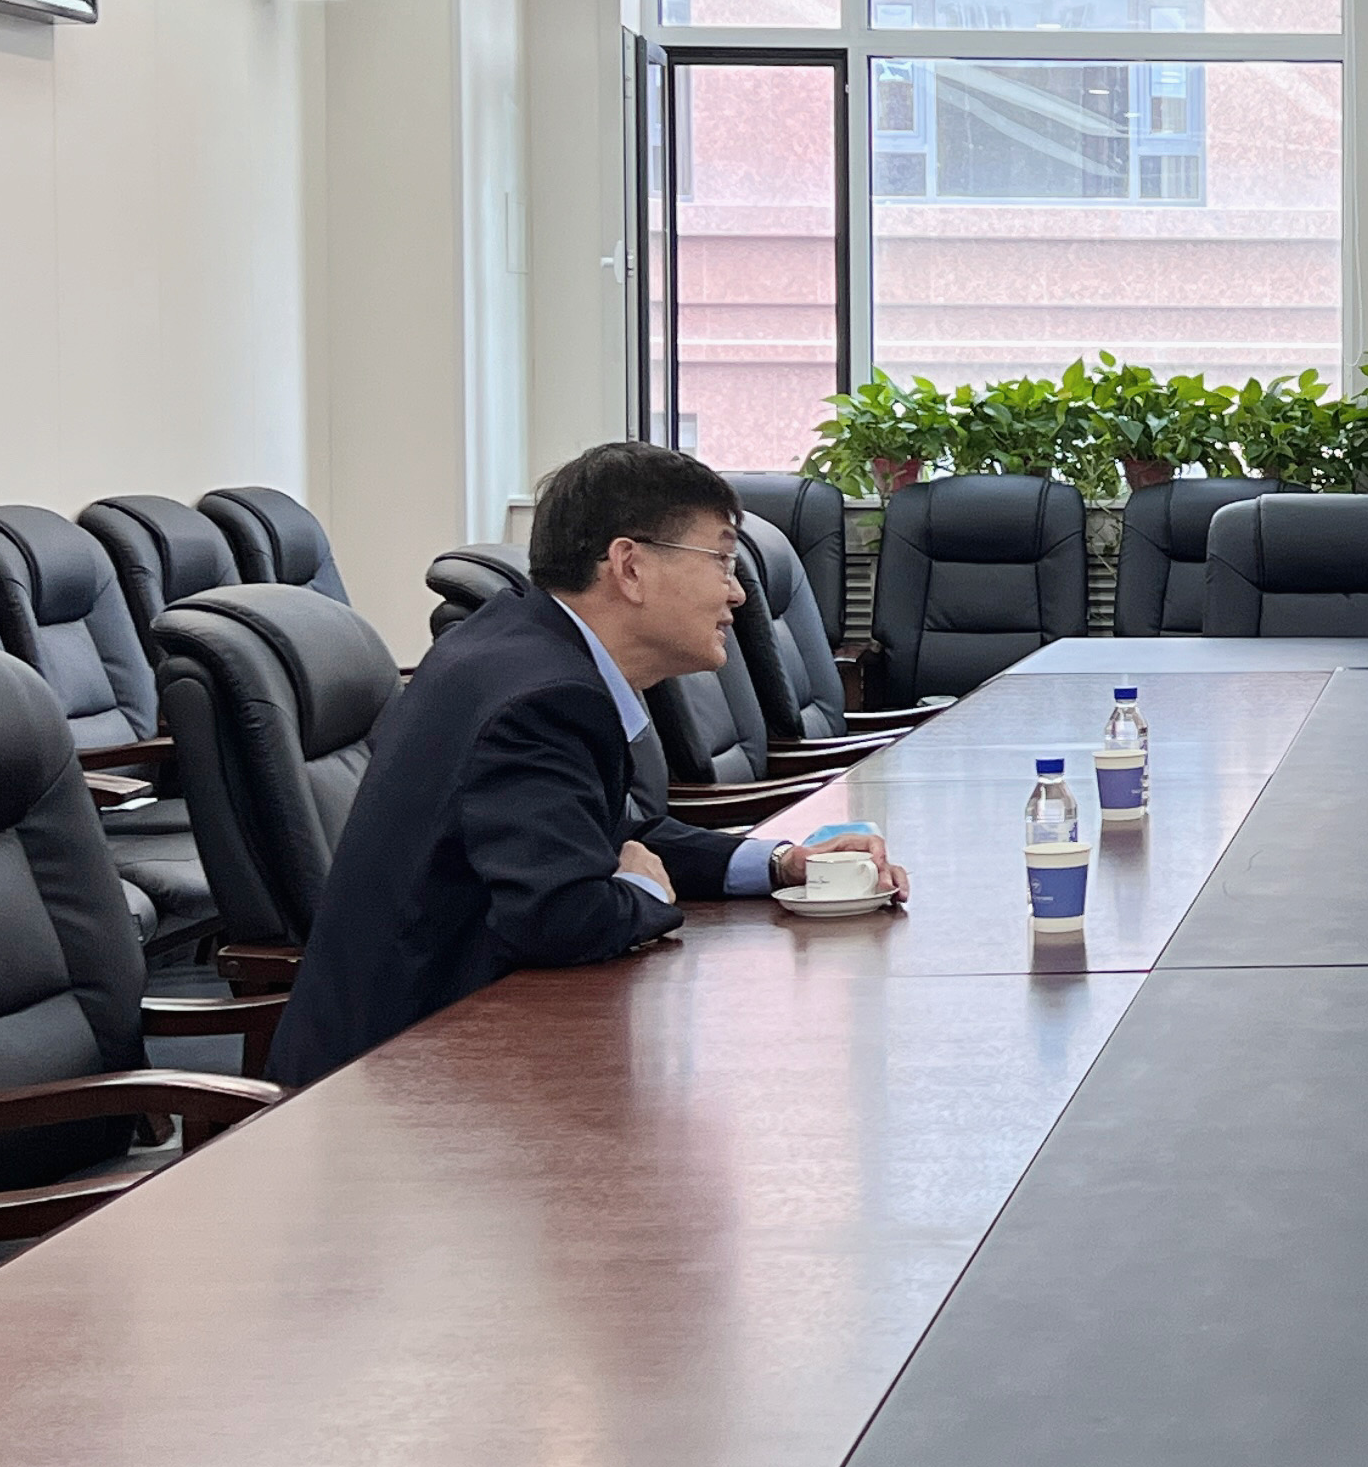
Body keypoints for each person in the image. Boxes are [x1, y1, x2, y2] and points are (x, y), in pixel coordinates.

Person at [269, 443, 909, 1087]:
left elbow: (610, 837)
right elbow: (559, 918)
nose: (738, 592)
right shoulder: (544, 698)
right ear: (629, 566)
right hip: (397, 1086)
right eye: (721, 560)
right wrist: (643, 891)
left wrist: (780, 864)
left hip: (435, 1053)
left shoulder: (525, 649)